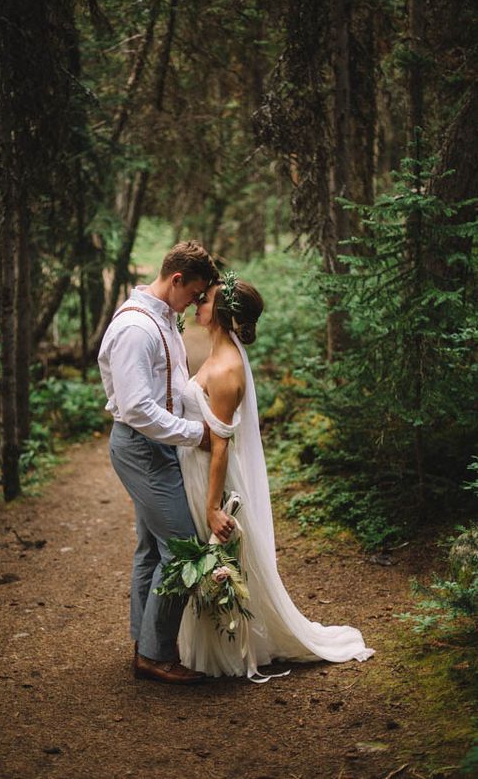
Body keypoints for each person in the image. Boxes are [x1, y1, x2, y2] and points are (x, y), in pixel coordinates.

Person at [176, 272, 375, 679]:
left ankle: (230, 648)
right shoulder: (216, 354)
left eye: (207, 299)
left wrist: (214, 507)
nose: (198, 303)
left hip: (213, 479)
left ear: (223, 313)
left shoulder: (227, 368)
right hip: (195, 470)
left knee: (222, 557)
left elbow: (221, 445)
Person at [98, 241, 219, 684]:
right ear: (176, 280)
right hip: (142, 448)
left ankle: (144, 643)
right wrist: (197, 434)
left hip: (157, 447)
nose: (196, 302)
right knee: (184, 548)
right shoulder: (138, 329)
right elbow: (136, 408)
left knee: (151, 547)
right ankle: (155, 653)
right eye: (195, 293)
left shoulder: (163, 319)